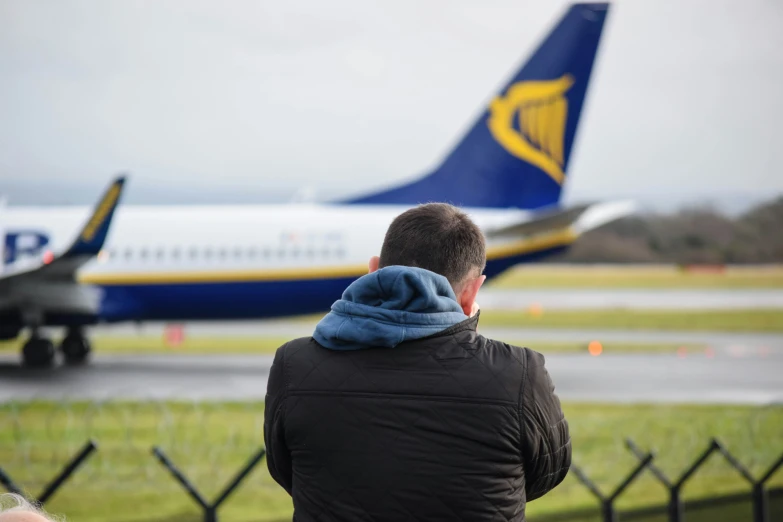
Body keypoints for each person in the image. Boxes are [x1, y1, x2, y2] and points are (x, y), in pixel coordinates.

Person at [265, 203, 570, 521]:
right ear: (472, 291)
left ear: (373, 271)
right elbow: (547, 471)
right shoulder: (519, 372)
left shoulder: (294, 365)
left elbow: (286, 470)